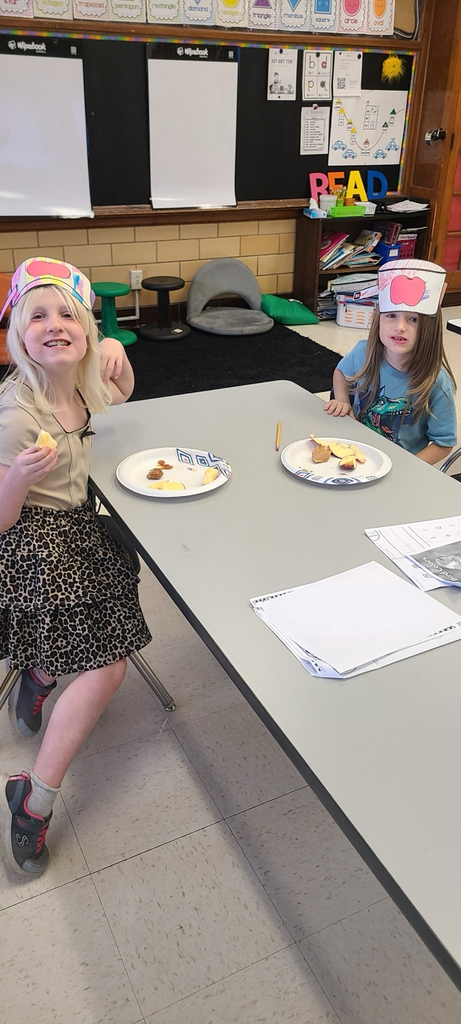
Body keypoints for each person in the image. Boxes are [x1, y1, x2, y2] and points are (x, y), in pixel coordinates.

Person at [0, 257, 151, 877]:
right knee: (109, 665)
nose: (54, 325)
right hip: (32, 544)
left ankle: (38, 674)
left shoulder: (77, 388)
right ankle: (32, 801)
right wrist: (15, 478)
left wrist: (117, 350)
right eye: (38, 315)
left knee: (102, 613)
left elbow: (124, 391)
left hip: (77, 529)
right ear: (18, 335)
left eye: (70, 316)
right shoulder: (16, 415)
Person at [324, 259, 457, 465]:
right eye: (391, 316)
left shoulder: (438, 383)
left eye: (413, 319)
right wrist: (342, 400)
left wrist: (406, 467)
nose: (400, 327)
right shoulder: (363, 351)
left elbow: (444, 443)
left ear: (430, 328)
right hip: (357, 454)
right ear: (378, 319)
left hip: (400, 470)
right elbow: (341, 372)